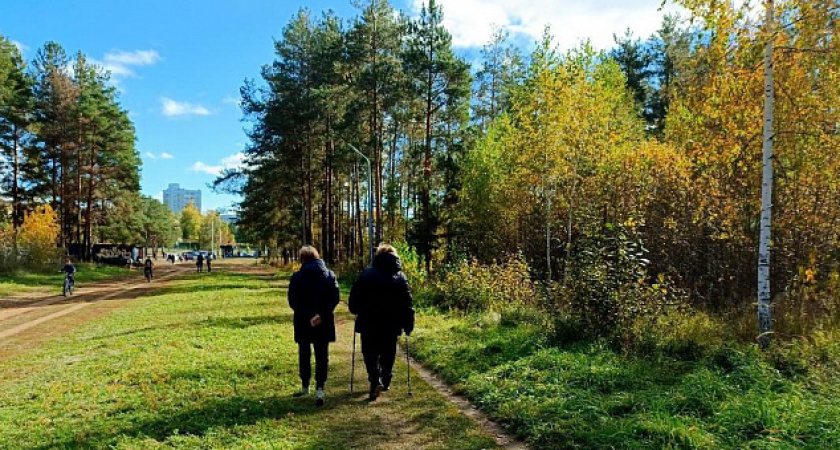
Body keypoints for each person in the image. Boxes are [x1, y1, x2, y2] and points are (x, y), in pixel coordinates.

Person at [349, 244, 415, 401]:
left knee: (369, 352)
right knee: (388, 351)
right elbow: (407, 302)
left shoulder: (366, 274)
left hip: (368, 321)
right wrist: (408, 323)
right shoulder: (400, 277)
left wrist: (355, 309)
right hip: (391, 323)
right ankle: (386, 378)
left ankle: (374, 378)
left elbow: (354, 297)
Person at [287, 245, 340, 407]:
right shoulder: (330, 275)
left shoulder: (297, 277)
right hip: (323, 322)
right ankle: (320, 387)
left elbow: (293, 301)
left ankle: (305, 385)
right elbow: (335, 298)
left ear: (303, 259)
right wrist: (321, 315)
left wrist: (309, 315)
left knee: (304, 352)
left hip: (304, 321)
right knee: (322, 354)